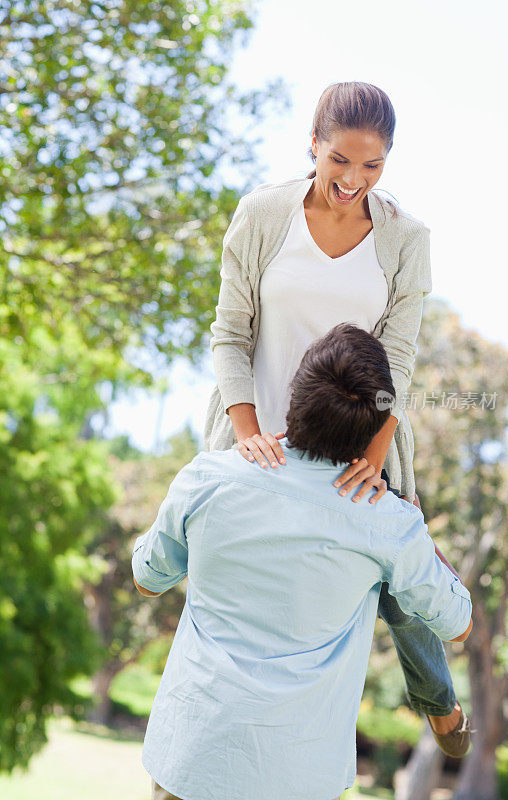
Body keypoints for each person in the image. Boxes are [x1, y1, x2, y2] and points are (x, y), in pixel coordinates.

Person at [203, 80, 469, 751]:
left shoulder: (406, 239)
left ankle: (437, 700)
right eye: (339, 161)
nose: (352, 179)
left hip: (359, 433)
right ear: (313, 146)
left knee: (400, 587)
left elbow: (398, 360)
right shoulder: (263, 215)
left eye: (371, 166)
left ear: (387, 161)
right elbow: (229, 335)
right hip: (260, 427)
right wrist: (246, 438)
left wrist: (375, 455)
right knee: (220, 576)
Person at [133, 323, 473, 800]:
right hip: (301, 776)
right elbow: (458, 625)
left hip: (191, 758)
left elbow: (147, 580)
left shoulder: (208, 477)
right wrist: (418, 533)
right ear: (374, 432)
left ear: (294, 397)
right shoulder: (387, 522)